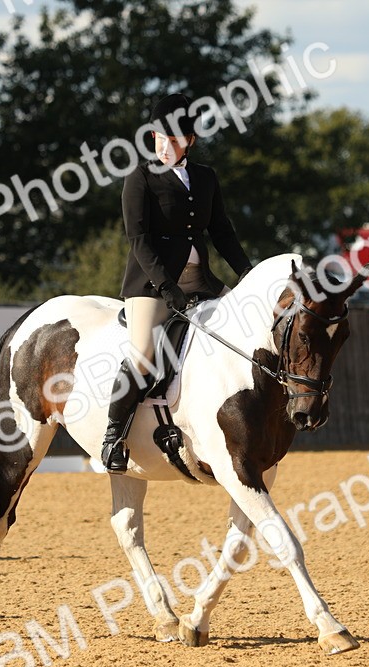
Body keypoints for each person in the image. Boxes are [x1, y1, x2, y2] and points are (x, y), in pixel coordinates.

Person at [100, 93, 255, 473]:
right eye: (159, 138)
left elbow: (222, 232)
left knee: (252, 329)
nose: (165, 146)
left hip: (202, 281)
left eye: (173, 140)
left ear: (191, 141)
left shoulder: (205, 178)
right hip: (152, 286)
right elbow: (138, 239)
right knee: (143, 355)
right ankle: (112, 438)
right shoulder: (140, 177)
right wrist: (167, 286)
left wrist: (249, 278)